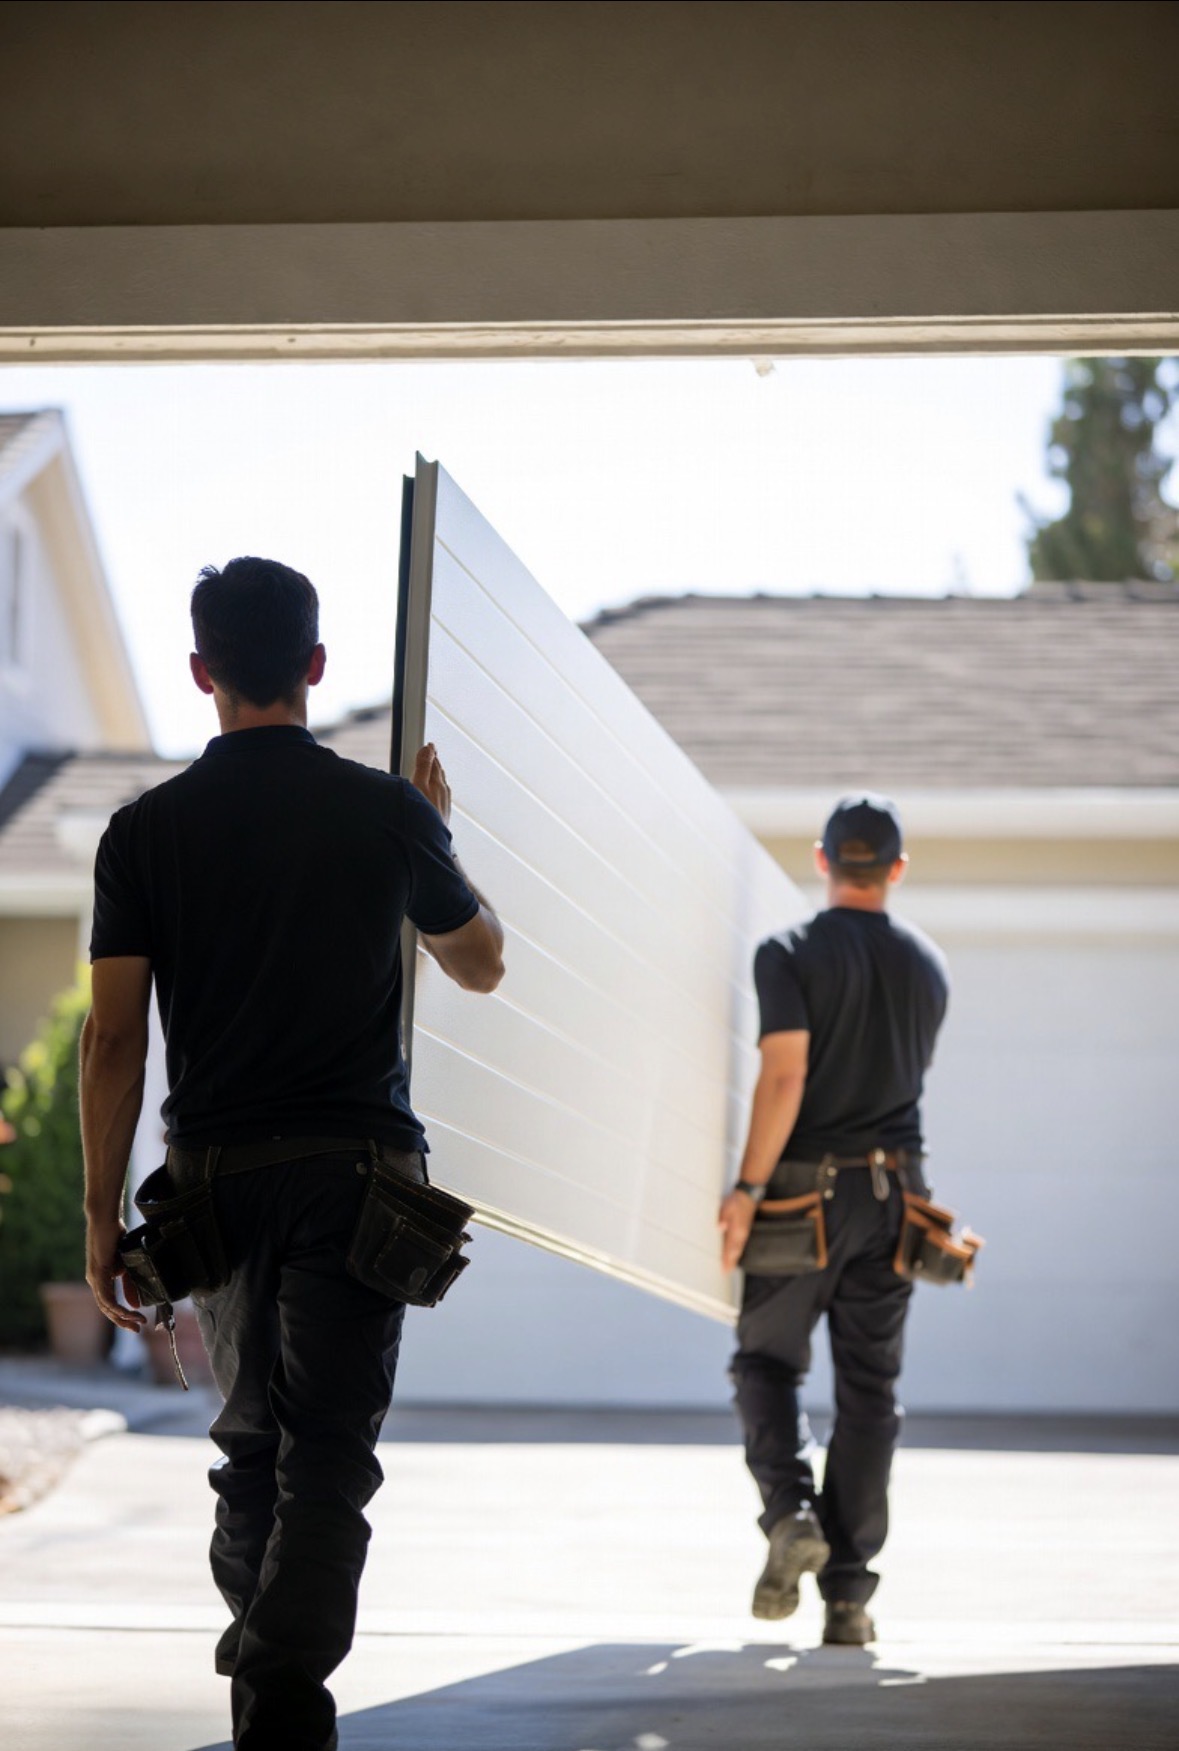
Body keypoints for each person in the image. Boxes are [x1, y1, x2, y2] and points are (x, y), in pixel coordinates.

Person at [79, 556, 504, 1751]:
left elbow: (113, 1039)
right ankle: (278, 1699)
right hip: (358, 1179)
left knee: (251, 1449)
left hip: (213, 1182)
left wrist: (100, 1216)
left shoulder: (141, 832)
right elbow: (482, 962)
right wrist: (434, 836)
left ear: (201, 671)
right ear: (315, 664)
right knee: (324, 1459)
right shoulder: (388, 811)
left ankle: (269, 1693)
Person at [718, 794, 948, 1646]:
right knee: (869, 1392)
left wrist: (746, 1188)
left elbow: (785, 1077)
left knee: (765, 1361)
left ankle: (790, 1512)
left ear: (822, 860)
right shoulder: (928, 965)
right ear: (895, 868)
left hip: (800, 1193)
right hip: (897, 1199)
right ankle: (848, 1598)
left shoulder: (787, 952)